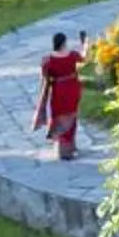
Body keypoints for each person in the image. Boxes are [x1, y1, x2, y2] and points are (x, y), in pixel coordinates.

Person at [35, 31, 86, 161]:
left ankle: (62, 149)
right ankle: (70, 147)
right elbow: (84, 58)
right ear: (64, 43)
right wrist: (84, 44)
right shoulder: (72, 55)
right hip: (73, 88)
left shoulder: (47, 60)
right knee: (71, 116)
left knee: (58, 116)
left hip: (58, 89)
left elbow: (45, 76)